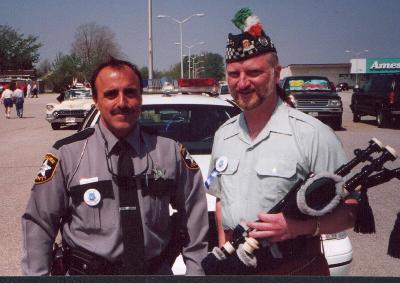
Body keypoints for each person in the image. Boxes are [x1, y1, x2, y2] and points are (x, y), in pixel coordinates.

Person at [21, 58, 209, 275]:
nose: (122, 102)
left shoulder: (170, 152)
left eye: (130, 92)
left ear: (140, 96)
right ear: (96, 99)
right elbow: (39, 223)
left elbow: (194, 211)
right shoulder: (67, 155)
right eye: (111, 94)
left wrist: (196, 270)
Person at [207, 8, 356, 275]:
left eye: (253, 72)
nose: (242, 83)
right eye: (233, 74)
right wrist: (225, 253)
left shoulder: (313, 135)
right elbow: (220, 199)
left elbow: (351, 210)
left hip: (294, 269)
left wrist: (297, 227)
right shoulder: (223, 135)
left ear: (276, 74)